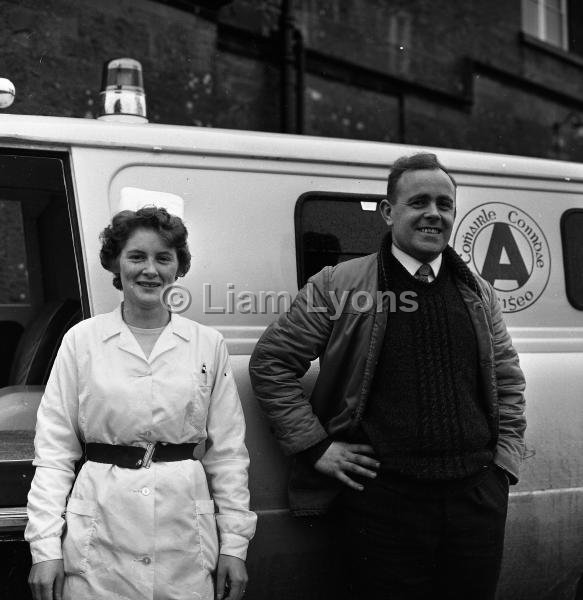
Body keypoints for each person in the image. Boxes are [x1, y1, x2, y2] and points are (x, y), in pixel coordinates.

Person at [249, 153, 526, 599]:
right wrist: (315, 446)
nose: (433, 213)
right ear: (387, 211)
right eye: (418, 202)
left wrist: (502, 466)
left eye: (444, 204)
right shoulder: (339, 284)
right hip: (381, 504)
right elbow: (272, 363)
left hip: (475, 501)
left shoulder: (479, 293)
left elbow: (508, 382)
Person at [26, 202, 256, 600]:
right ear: (116, 264)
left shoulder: (207, 344)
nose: (150, 269)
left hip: (184, 536)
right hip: (101, 530)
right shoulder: (81, 340)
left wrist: (234, 545)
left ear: (178, 268)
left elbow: (229, 454)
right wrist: (44, 549)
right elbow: (54, 450)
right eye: (136, 256)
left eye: (163, 258)